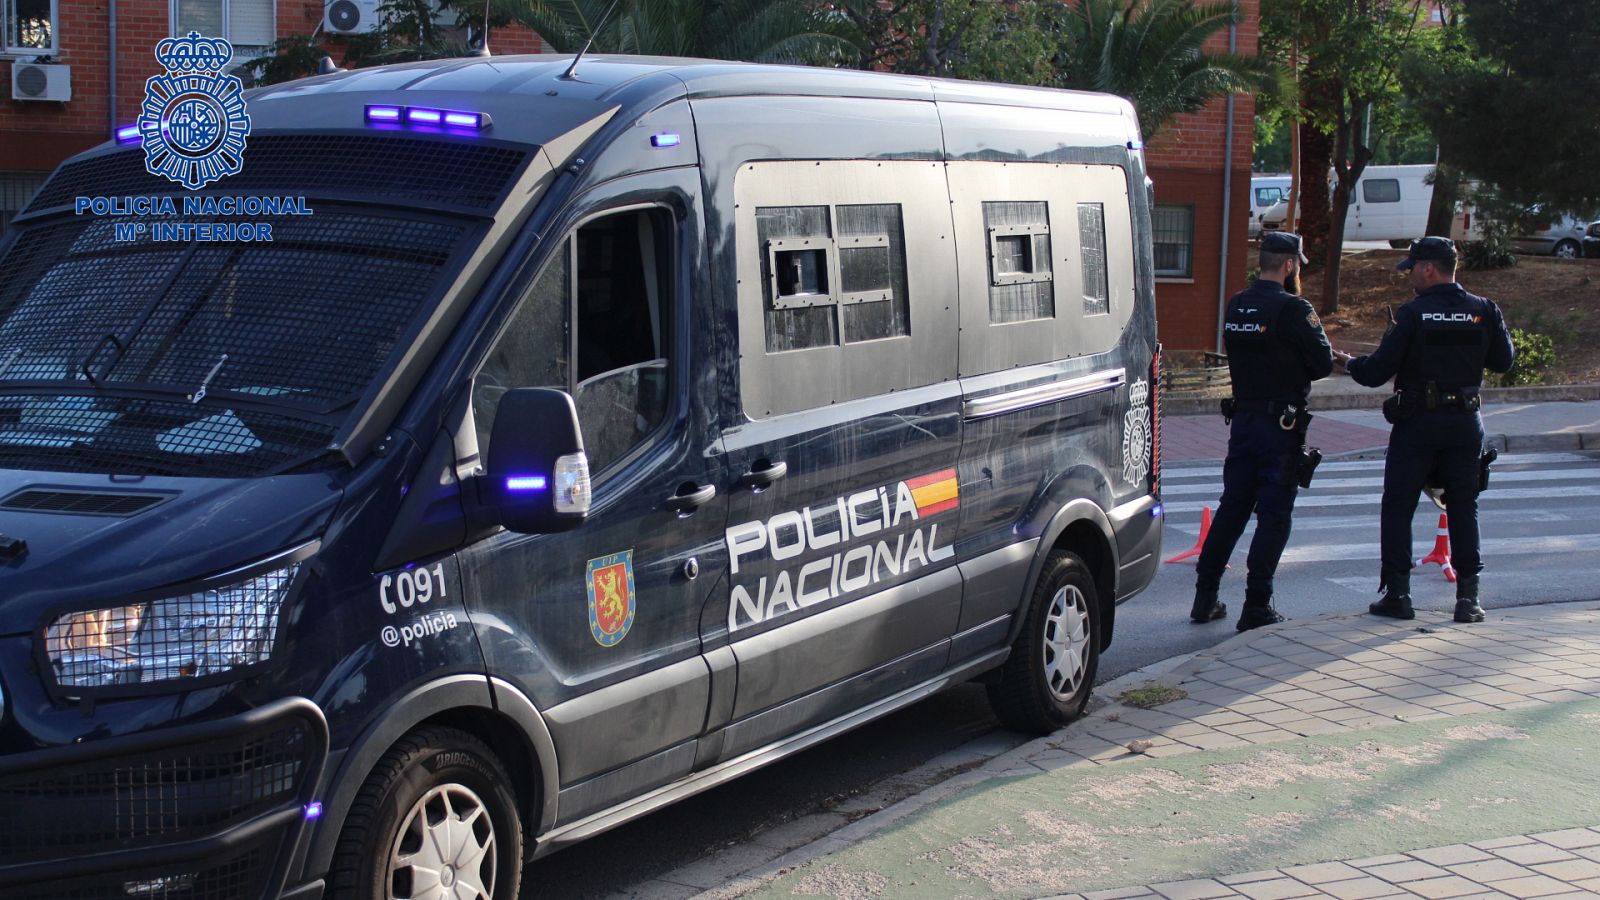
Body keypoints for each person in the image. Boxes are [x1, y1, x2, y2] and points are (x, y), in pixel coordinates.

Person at [1333, 236, 1514, 624]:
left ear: (1429, 269)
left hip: (1417, 425)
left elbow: (1377, 371)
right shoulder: (1484, 310)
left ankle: (1399, 595)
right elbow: (1503, 361)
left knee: (1399, 505)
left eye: (1412, 267)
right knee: (1464, 506)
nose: (1409, 274)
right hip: (1465, 424)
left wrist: (1349, 363)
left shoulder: (1414, 314)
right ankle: (1468, 600)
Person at [1191, 232, 1334, 631]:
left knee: (1232, 508)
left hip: (1244, 423)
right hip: (1281, 427)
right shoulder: (1295, 309)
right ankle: (1256, 604)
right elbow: (1322, 364)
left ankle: (1205, 597)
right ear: (1289, 265)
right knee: (1274, 515)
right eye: (1297, 264)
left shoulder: (1237, 303)